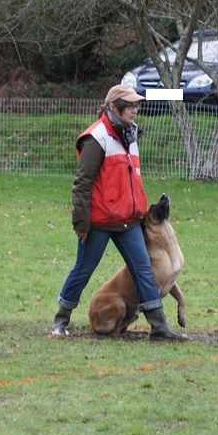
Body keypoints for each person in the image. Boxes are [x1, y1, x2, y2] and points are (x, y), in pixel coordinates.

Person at [51, 84, 186, 341]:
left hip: (129, 221)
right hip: (99, 222)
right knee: (83, 269)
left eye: (136, 105)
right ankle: (61, 321)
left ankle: (159, 327)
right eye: (130, 105)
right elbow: (82, 183)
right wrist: (81, 222)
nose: (135, 110)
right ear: (113, 107)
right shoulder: (96, 138)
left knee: (143, 270)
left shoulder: (130, 136)